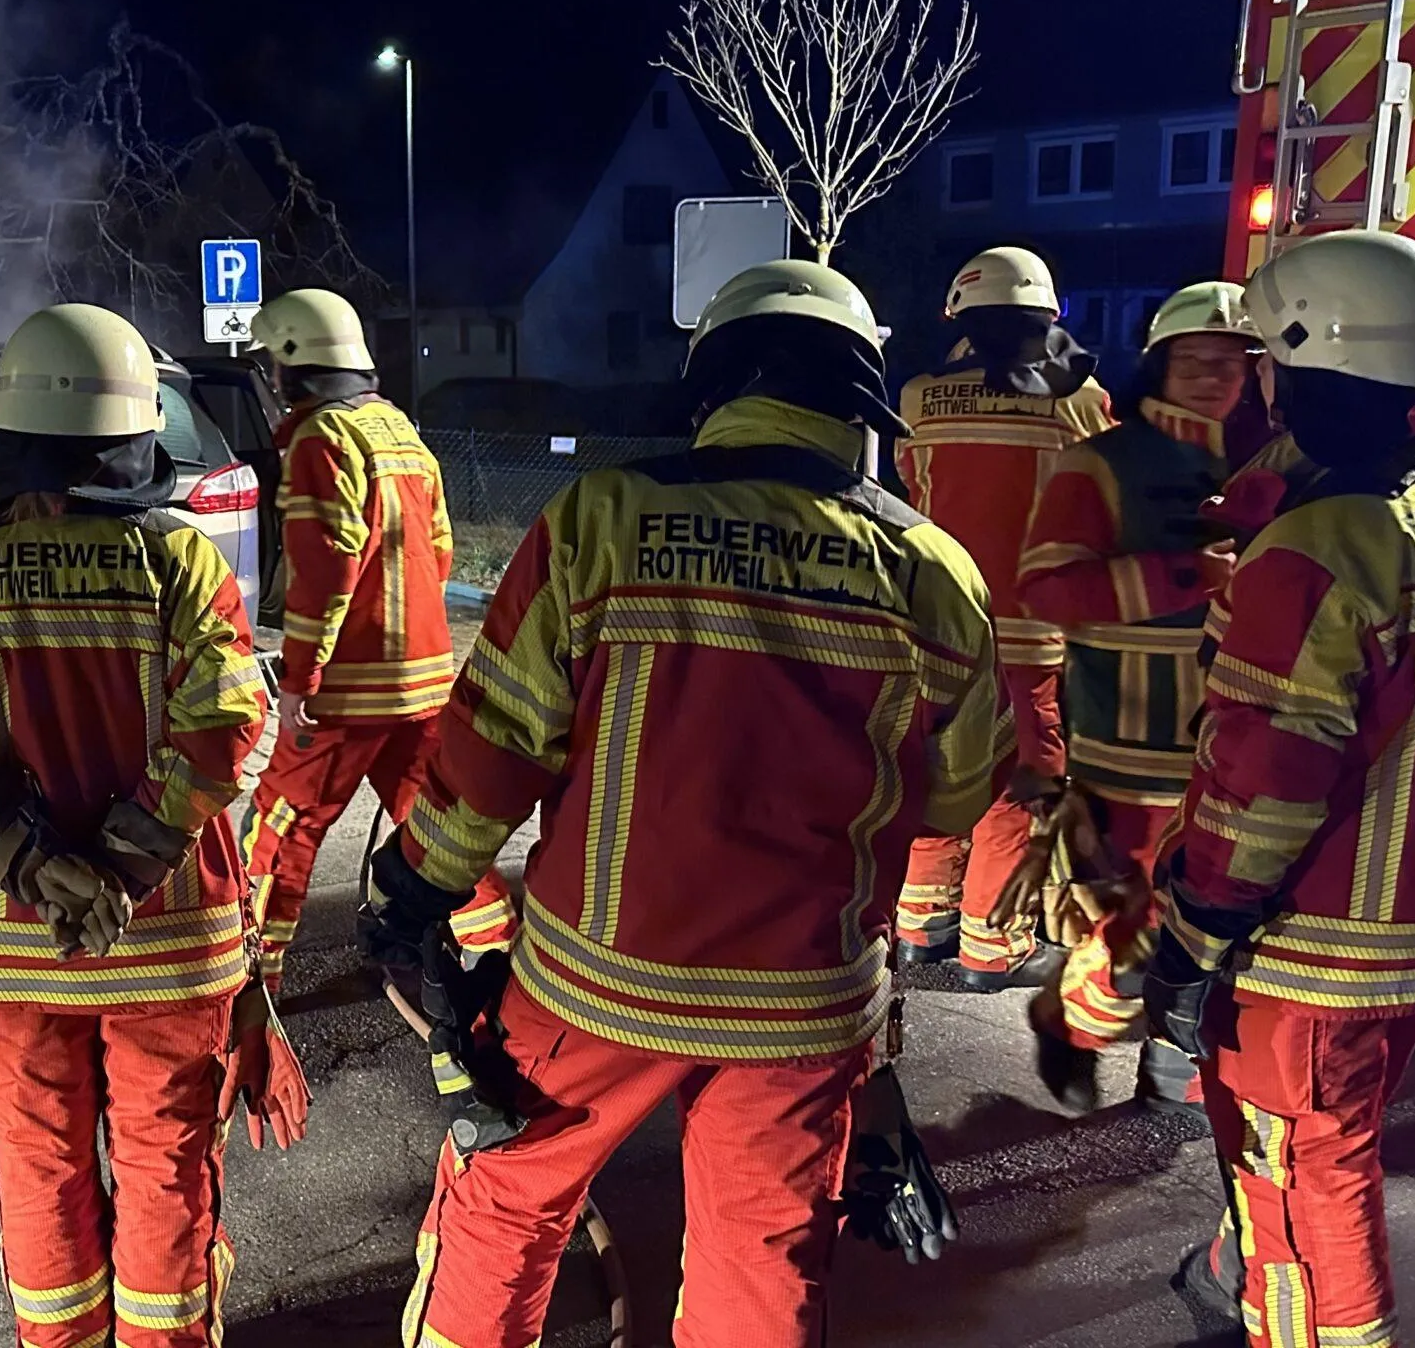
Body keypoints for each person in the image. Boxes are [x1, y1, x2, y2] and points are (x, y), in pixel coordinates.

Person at [365, 261, 1007, 1348]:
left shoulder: (602, 521)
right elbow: (954, 799)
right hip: (804, 1004)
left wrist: (412, 886)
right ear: (859, 409)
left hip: (595, 983)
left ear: (709, 389)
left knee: (506, 1201)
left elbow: (496, 743)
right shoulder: (933, 571)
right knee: (760, 1259)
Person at [1146, 230, 1415, 1343]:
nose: (1256, 389)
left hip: (1322, 941)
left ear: (1308, 359)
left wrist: (1190, 926)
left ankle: (1313, 1323)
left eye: (1265, 365)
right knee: (1319, 1134)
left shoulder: (1326, 547)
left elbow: (1262, 787)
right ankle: (1250, 1269)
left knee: (1308, 1164)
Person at [0, 303, 274, 1347]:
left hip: (9, 952)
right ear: (136, 435)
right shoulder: (180, 564)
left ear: (9, 433)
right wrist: (123, 862)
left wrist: (36, 866)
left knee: (40, 1175)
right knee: (165, 1175)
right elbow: (227, 724)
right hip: (167, 945)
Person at [1014, 283, 1256, 1111]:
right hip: (1129, 740)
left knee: (1220, 922)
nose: (1217, 376)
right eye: (1197, 360)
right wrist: (1193, 576)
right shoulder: (1102, 462)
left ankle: (1171, 1060)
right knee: (1132, 922)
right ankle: (1068, 1023)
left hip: (1246, 740)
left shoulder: (1280, 464)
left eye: (1234, 362)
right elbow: (1047, 588)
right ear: (1159, 363)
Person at [239, 288, 512, 988]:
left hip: (346, 691)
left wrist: (300, 680)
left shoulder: (320, 438)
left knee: (281, 829)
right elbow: (441, 549)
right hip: (422, 682)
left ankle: (247, 978)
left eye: (273, 361)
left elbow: (324, 571)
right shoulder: (398, 429)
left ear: (293, 361)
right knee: (437, 834)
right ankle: (496, 957)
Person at [893, 247, 1113, 988]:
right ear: (1047, 320)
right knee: (1019, 780)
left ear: (959, 318)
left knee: (933, 767)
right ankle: (993, 946)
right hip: (1029, 632)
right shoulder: (1081, 404)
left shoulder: (919, 398)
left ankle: (920, 926)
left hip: (930, 627)